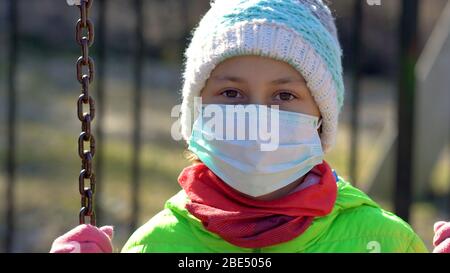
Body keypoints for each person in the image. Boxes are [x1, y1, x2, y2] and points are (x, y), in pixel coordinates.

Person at [50, 0, 450, 253]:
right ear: (196, 115)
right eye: (231, 94)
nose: (259, 118)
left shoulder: (382, 242)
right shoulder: (156, 245)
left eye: (284, 97)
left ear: (321, 119)